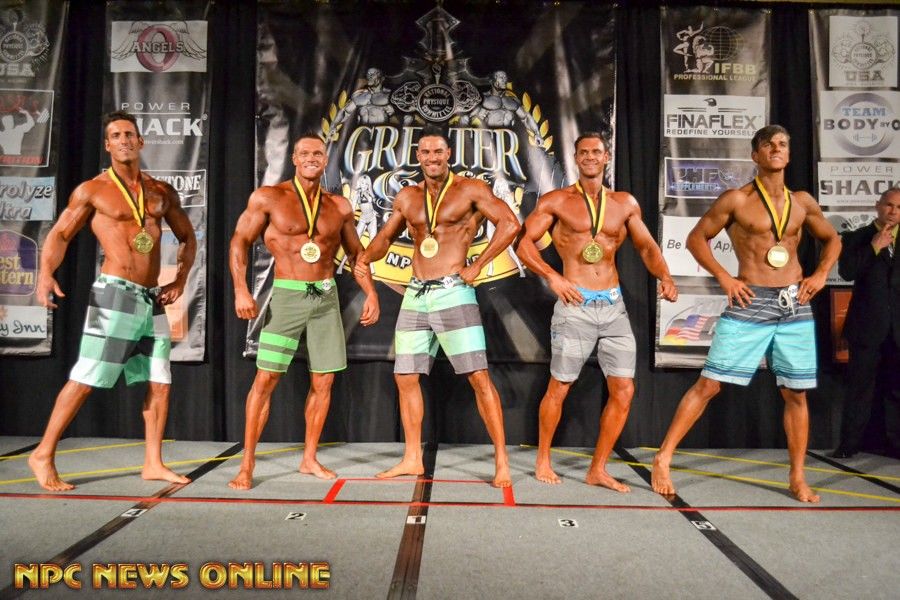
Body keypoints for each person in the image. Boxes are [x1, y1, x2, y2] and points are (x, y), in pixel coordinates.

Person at [651, 125, 841, 503]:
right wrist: (724, 277)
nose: (776, 149)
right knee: (710, 384)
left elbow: (833, 238)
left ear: (789, 154)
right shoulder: (737, 199)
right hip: (751, 299)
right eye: (768, 145)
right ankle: (663, 457)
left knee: (796, 393)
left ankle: (797, 476)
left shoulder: (802, 202)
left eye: (783, 144)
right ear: (755, 155)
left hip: (794, 303)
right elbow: (695, 238)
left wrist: (821, 273)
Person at [28, 110, 196, 491]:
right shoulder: (93, 190)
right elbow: (60, 234)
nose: (123, 140)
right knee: (87, 376)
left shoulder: (160, 192)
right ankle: (43, 453)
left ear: (141, 141)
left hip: (151, 298)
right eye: (116, 135)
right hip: (114, 294)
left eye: (129, 134)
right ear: (107, 145)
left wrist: (181, 278)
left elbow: (188, 236)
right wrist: (45, 273)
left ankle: (153, 462)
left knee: (160, 381)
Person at [354, 125, 519, 487]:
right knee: (405, 376)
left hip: (453, 291)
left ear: (448, 154)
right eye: (426, 152)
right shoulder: (408, 197)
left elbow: (510, 224)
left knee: (478, 376)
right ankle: (413, 458)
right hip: (416, 293)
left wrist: (478, 265)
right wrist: (366, 256)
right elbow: (385, 237)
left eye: (438, 152)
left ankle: (502, 461)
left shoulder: (470, 190)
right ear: (418, 156)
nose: (432, 158)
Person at [517, 132, 678, 491]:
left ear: (607, 157)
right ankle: (543, 459)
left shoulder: (624, 203)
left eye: (596, 152)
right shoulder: (557, 201)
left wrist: (665, 276)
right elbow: (523, 244)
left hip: (613, 307)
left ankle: (598, 469)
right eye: (584, 152)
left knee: (624, 390)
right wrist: (553, 277)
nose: (590, 157)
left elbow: (647, 247)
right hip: (576, 305)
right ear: (576, 159)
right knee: (560, 386)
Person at [228, 133, 379, 490]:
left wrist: (371, 292)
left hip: (325, 298)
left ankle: (309, 458)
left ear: (325, 160)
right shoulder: (269, 197)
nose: (311, 158)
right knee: (266, 379)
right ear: (294, 159)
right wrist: (240, 289)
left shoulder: (339, 206)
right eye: (305, 153)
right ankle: (247, 464)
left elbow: (356, 254)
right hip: (287, 297)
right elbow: (239, 241)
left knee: (323, 381)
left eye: (318, 154)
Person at [831, 188, 900, 459]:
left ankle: (895, 445)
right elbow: (847, 272)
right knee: (859, 389)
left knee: (896, 390)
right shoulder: (856, 237)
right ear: (877, 205)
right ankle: (849, 445)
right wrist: (874, 247)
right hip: (867, 328)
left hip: (898, 328)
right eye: (889, 205)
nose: (893, 212)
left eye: (899, 207)